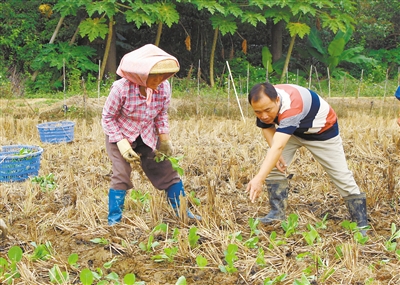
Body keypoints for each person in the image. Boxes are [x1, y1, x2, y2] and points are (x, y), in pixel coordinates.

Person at [245, 82, 368, 234]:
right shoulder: (263, 103)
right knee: (274, 168)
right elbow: (267, 128)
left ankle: (361, 222)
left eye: (267, 110)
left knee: (341, 176)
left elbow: (278, 146)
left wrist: (259, 179)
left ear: (277, 100)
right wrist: (275, 156)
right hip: (293, 132)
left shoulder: (292, 107)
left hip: (322, 132)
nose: (263, 115)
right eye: (258, 112)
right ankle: (276, 213)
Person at [102, 44, 200, 225]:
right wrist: (121, 143)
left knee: (166, 169)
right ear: (141, 74)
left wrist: (164, 140)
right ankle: (114, 221)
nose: (160, 79)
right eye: (155, 76)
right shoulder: (121, 89)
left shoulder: (163, 88)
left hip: (146, 135)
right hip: (120, 134)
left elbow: (161, 114)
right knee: (121, 174)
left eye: (163, 75)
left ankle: (183, 212)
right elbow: (108, 117)